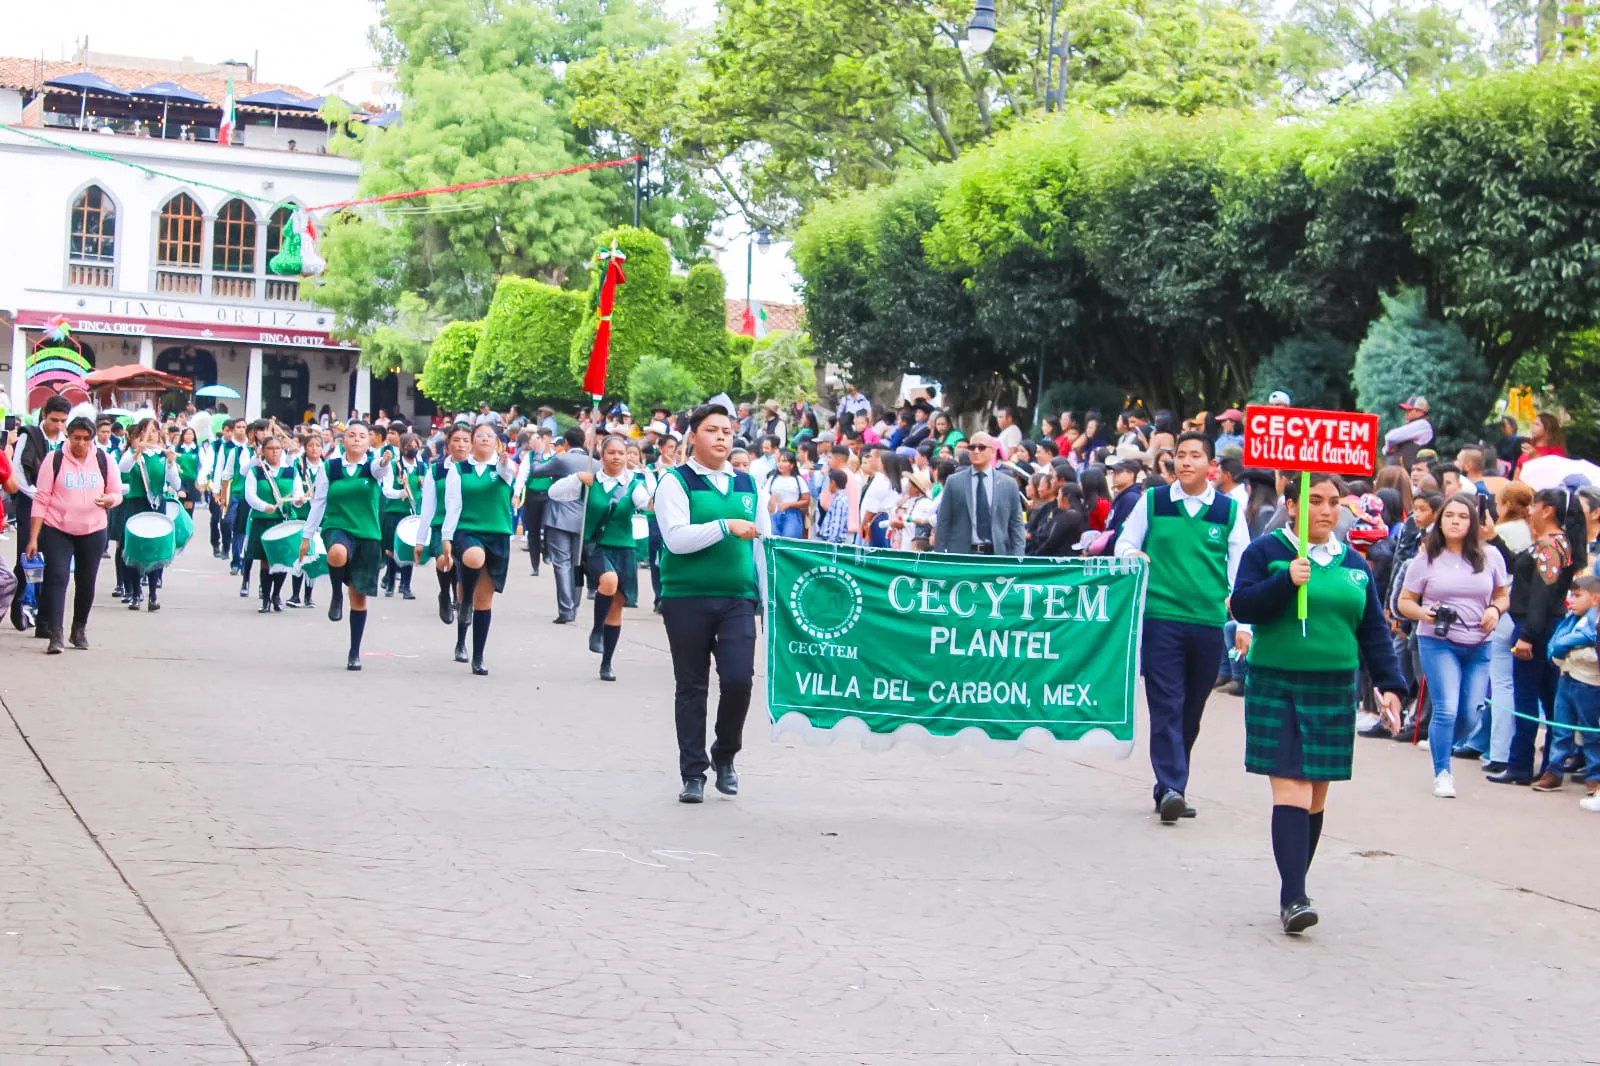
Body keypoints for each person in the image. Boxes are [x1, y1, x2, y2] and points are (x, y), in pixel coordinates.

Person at [1230, 472, 1405, 934]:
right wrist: (1286, 581)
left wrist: (1391, 686)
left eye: (1334, 503)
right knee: (1292, 787)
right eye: (1316, 501)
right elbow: (1242, 606)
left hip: (1333, 686)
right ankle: (1294, 897)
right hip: (1277, 682)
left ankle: (1295, 882)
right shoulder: (1266, 553)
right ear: (1292, 505)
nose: (1327, 511)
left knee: (1316, 794)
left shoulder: (1354, 564)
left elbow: (1373, 630)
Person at [1116, 431, 1250, 823]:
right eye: (1180, 455)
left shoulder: (1227, 511)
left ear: (1212, 466)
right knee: (1166, 705)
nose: (1186, 462)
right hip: (1160, 619)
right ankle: (1173, 786)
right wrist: (1133, 553)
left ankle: (1169, 785)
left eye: (1195, 456)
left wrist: (1244, 623)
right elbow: (1123, 544)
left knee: (1191, 710)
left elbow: (1241, 572)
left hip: (1208, 622)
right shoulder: (1153, 501)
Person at [656, 405, 768, 804]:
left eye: (727, 431)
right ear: (694, 437)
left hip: (738, 597)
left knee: (739, 680)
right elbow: (676, 539)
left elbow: (763, 547)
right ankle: (692, 772)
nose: (722, 437)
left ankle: (725, 753)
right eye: (712, 430)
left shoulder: (749, 485)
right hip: (686, 596)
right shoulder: (675, 482)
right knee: (692, 685)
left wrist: (769, 600)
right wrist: (724, 526)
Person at [1395, 493, 1510, 797]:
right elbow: (1404, 602)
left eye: (1462, 516)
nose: (1455, 521)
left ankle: (1440, 742)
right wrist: (1424, 614)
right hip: (1437, 641)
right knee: (1446, 708)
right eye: (1449, 516)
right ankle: (1442, 771)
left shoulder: (1491, 556)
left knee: (1471, 713)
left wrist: (1495, 610)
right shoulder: (1426, 559)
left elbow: (1502, 595)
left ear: (1473, 522)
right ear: (1440, 521)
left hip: (1480, 643)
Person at [1491, 487, 1588, 784]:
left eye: (1535, 506)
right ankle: (1549, 765)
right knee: (1549, 698)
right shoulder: (1561, 544)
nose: (1530, 511)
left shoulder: (1548, 546)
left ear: (1547, 510)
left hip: (1536, 628)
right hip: (1547, 626)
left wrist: (1528, 636)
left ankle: (1521, 763)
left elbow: (1540, 596)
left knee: (1527, 698)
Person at [300, 422, 400, 671]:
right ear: (341, 441)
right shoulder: (330, 467)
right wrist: (307, 535)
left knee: (358, 596)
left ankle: (354, 651)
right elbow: (318, 501)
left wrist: (385, 461)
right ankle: (335, 593)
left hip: (367, 534)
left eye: (362, 436)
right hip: (338, 527)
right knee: (336, 553)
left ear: (370, 442)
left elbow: (380, 471)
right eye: (351, 435)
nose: (356, 439)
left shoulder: (373, 467)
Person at [549, 435, 650, 681]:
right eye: (611, 452)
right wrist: (575, 478)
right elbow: (554, 493)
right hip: (596, 548)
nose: (617, 457)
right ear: (601, 456)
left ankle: (607, 663)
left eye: (621, 453)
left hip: (625, 548)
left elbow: (646, 504)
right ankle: (596, 630)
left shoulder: (635, 483)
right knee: (609, 581)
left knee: (616, 610)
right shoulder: (590, 480)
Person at [25, 416, 121, 653]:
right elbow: (41, 498)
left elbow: (117, 493)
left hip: (93, 529)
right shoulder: (54, 459)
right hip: (57, 528)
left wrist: (109, 499)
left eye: (86, 439)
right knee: (57, 578)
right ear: (68, 436)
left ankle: (79, 628)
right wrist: (33, 537)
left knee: (86, 580)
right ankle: (55, 634)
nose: (81, 443)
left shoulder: (104, 460)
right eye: (76, 438)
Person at [440, 425, 527, 675]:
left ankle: (477, 655)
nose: (485, 439)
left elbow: (507, 471)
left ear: (498, 443)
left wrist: (504, 460)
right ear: (471, 443)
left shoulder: (504, 468)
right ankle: (464, 601)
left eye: (490, 436)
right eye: (479, 435)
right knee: (473, 558)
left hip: (497, 533)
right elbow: (453, 505)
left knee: (485, 599)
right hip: (468, 531)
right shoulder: (459, 469)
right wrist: (447, 537)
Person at [9, 396, 71, 632]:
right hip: (31, 505)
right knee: (27, 558)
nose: (58, 426)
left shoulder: (67, 441)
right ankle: (17, 601)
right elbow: (18, 474)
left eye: (63, 421)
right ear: (44, 414)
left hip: (58, 510)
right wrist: (40, 497)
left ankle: (44, 620)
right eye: (54, 420)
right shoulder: (30, 436)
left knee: (54, 564)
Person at [1535, 574, 1600, 795]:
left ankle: (1595, 777)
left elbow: (1593, 653)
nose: (1571, 600)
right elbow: (1558, 645)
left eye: (1577, 596)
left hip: (1589, 684)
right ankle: (1554, 772)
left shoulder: (1594, 624)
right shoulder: (1571, 621)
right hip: (1566, 679)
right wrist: (1566, 650)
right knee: (1561, 729)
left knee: (1589, 732)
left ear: (1595, 599)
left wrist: (1571, 649)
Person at [524, 428, 595, 625]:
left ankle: (566, 609)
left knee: (561, 563)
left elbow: (537, 472)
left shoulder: (562, 459)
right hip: (584, 518)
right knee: (577, 564)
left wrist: (537, 453)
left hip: (559, 517)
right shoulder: (595, 463)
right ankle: (575, 605)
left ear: (565, 443)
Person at [115, 419, 181, 612]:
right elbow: (123, 469)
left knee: (156, 548)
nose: (150, 434)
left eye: (153, 431)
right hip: (136, 505)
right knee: (135, 548)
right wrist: (138, 451)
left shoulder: (161, 456)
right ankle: (135, 593)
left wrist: (170, 463)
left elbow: (176, 484)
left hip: (156, 506)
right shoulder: (133, 455)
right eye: (145, 430)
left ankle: (153, 593)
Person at [933, 433, 1026, 556]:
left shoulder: (1008, 484)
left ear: (992, 451)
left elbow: (1016, 523)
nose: (976, 451)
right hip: (962, 555)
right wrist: (940, 555)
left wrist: (1018, 557)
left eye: (981, 447)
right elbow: (943, 521)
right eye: (972, 448)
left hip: (997, 555)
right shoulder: (954, 482)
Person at [244, 433, 307, 613]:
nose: (274, 452)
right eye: (270, 449)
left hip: (284, 520)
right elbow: (250, 495)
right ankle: (265, 597)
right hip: (263, 520)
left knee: (282, 560)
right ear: (263, 451)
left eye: (277, 449)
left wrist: (298, 501)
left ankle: (276, 594)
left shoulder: (291, 471)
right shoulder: (256, 471)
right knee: (266, 560)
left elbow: (297, 493)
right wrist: (264, 507)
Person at [417, 423, 473, 625]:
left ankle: (463, 601)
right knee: (444, 561)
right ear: (447, 445)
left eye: (466, 441)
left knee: (463, 569)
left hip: (468, 525)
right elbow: (428, 505)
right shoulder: (437, 470)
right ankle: (444, 594)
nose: (461, 445)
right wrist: (420, 539)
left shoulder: (475, 470)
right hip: (441, 525)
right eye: (456, 441)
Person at [379, 434, 424, 600]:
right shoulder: (394, 466)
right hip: (394, 512)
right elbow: (386, 490)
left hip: (411, 514)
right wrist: (400, 494)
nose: (412, 449)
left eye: (415, 446)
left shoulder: (422, 467)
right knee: (391, 549)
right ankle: (390, 582)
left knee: (410, 548)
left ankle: (406, 585)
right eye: (409, 446)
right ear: (403, 448)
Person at [287, 431, 325, 609]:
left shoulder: (327, 468)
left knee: (314, 556)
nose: (314, 449)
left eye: (318, 446)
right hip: (302, 516)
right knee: (300, 555)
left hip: (320, 518)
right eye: (311, 446)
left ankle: (309, 596)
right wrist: (298, 500)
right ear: (305, 448)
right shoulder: (298, 466)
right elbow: (293, 490)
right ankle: (295, 594)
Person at [766, 450, 810, 539]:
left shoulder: (798, 480)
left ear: (792, 465)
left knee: (788, 543)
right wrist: (772, 500)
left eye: (784, 461)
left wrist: (788, 504)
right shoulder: (772, 479)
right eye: (779, 461)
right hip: (773, 515)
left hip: (792, 515)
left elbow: (806, 501)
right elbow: (765, 496)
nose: (781, 464)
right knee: (773, 542)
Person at [1383, 396, 1434, 468]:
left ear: (1421, 412)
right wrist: (1388, 447)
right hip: (1401, 473)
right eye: (1406, 411)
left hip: (1410, 474)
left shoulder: (1423, 425)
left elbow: (1390, 437)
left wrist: (1389, 446)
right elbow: (1384, 450)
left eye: (1409, 410)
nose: (1406, 413)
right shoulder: (1414, 425)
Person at [1513, 412, 1566, 478]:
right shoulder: (1530, 448)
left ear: (1548, 430)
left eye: (1537, 424)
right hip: (1518, 485)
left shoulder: (1556, 452)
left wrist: (1535, 456)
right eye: (1533, 423)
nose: (1532, 427)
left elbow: (1552, 474)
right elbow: (1518, 471)